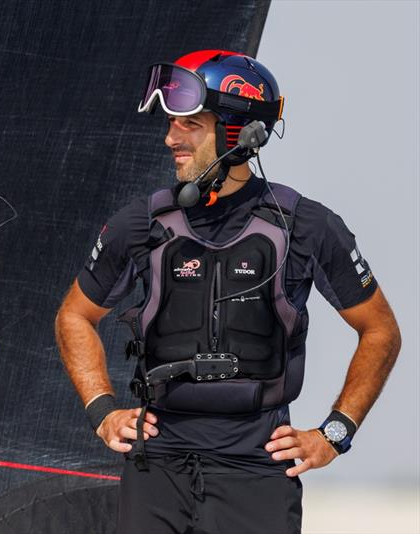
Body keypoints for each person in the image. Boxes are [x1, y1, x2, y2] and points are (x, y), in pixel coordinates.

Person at [54, 50, 401, 534]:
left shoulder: (307, 225)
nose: (169, 137)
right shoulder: (140, 224)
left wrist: (334, 433)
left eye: (189, 124)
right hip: (157, 468)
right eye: (172, 123)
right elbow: (74, 316)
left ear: (241, 132)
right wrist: (102, 410)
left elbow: (381, 330)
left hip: (257, 472)